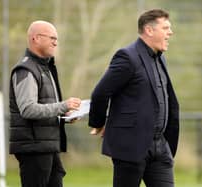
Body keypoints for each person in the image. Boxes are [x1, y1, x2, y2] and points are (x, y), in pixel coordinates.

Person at [88, 9, 180, 187]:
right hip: (131, 146)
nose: (170, 32)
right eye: (166, 27)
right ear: (149, 30)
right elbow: (100, 93)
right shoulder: (127, 57)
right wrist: (99, 123)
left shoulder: (161, 59)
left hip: (160, 147)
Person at [9, 20, 81, 187]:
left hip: (47, 147)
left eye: (56, 39)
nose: (56, 43)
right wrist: (63, 106)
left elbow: (45, 106)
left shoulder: (44, 68)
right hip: (35, 149)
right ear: (36, 39)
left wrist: (64, 116)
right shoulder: (25, 70)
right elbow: (28, 109)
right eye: (52, 38)